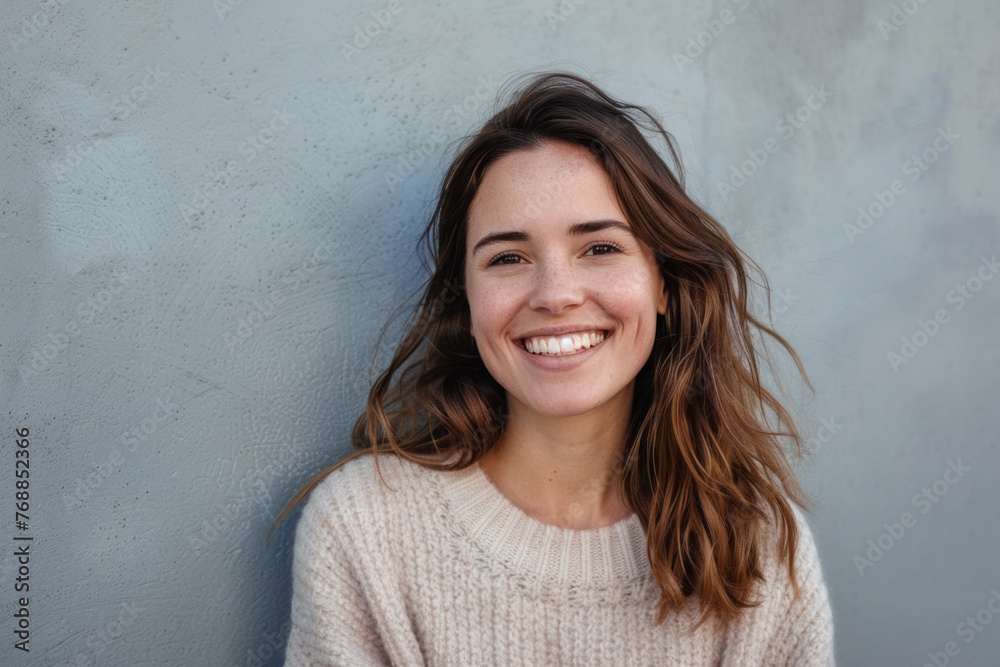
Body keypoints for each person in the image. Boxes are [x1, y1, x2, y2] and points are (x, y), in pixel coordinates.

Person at [272, 71, 836, 666]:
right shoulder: (367, 527)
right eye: (508, 257)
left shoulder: (761, 545)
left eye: (600, 247)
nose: (555, 295)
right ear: (465, 304)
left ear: (664, 283)